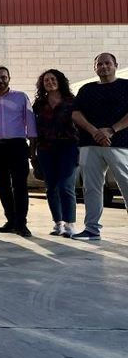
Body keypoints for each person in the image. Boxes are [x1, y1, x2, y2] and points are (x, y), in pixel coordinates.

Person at [71, 53, 128, 241]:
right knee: (91, 187)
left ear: (115, 65)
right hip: (90, 145)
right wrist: (95, 131)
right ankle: (92, 229)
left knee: (126, 185)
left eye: (107, 63)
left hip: (119, 144)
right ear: (95, 68)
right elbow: (76, 114)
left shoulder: (125, 86)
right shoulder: (86, 90)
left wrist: (111, 130)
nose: (104, 67)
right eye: (99, 64)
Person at [0, 66, 37, 237]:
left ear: (9, 78)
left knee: (20, 185)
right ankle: (10, 220)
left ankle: (21, 222)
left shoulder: (21, 97)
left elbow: (31, 122)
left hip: (17, 145)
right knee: (3, 185)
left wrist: (32, 148)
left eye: (3, 77)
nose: (0, 80)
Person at [32, 69, 79, 238]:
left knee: (66, 186)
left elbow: (79, 124)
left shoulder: (72, 101)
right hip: (45, 149)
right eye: (46, 80)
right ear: (42, 84)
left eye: (53, 79)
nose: (50, 82)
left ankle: (70, 224)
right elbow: (34, 130)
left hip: (68, 147)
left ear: (59, 81)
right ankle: (57, 223)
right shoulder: (39, 104)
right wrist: (33, 152)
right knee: (51, 187)